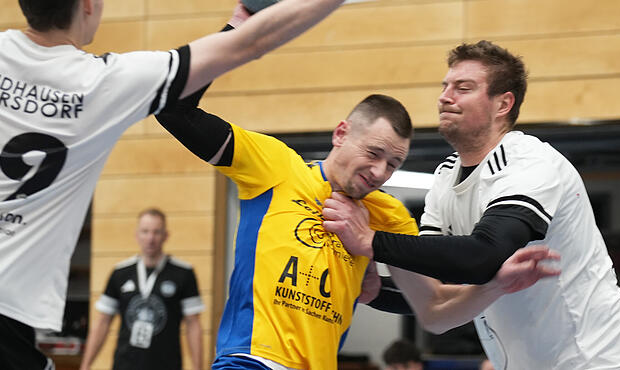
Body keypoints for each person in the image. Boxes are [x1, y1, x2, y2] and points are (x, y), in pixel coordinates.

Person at [0, 0, 424, 368]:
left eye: (392, 162)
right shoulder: (102, 82)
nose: (381, 171)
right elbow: (242, 48)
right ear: (90, 2)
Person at [155, 92, 559, 369]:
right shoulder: (277, 168)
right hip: (251, 359)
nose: (380, 172)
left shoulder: (389, 215)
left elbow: (428, 302)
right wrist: (239, 30)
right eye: (373, 153)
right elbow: (173, 110)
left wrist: (494, 285)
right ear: (341, 133)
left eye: (393, 163)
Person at [323, 40, 620, 369]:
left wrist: (370, 241)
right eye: (445, 86)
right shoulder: (445, 178)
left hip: (604, 363)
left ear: (502, 104)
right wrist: (371, 291)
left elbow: (483, 257)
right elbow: (435, 291)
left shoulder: (530, 162)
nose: (445, 97)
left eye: (463, 87)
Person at [79, 208, 204, 370]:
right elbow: (102, 321)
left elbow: (193, 324)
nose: (150, 238)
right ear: (137, 235)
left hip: (167, 364)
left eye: (156, 232)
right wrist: (86, 364)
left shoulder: (183, 273)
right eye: (145, 232)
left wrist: (198, 366)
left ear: (166, 236)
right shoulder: (120, 273)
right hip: (125, 363)